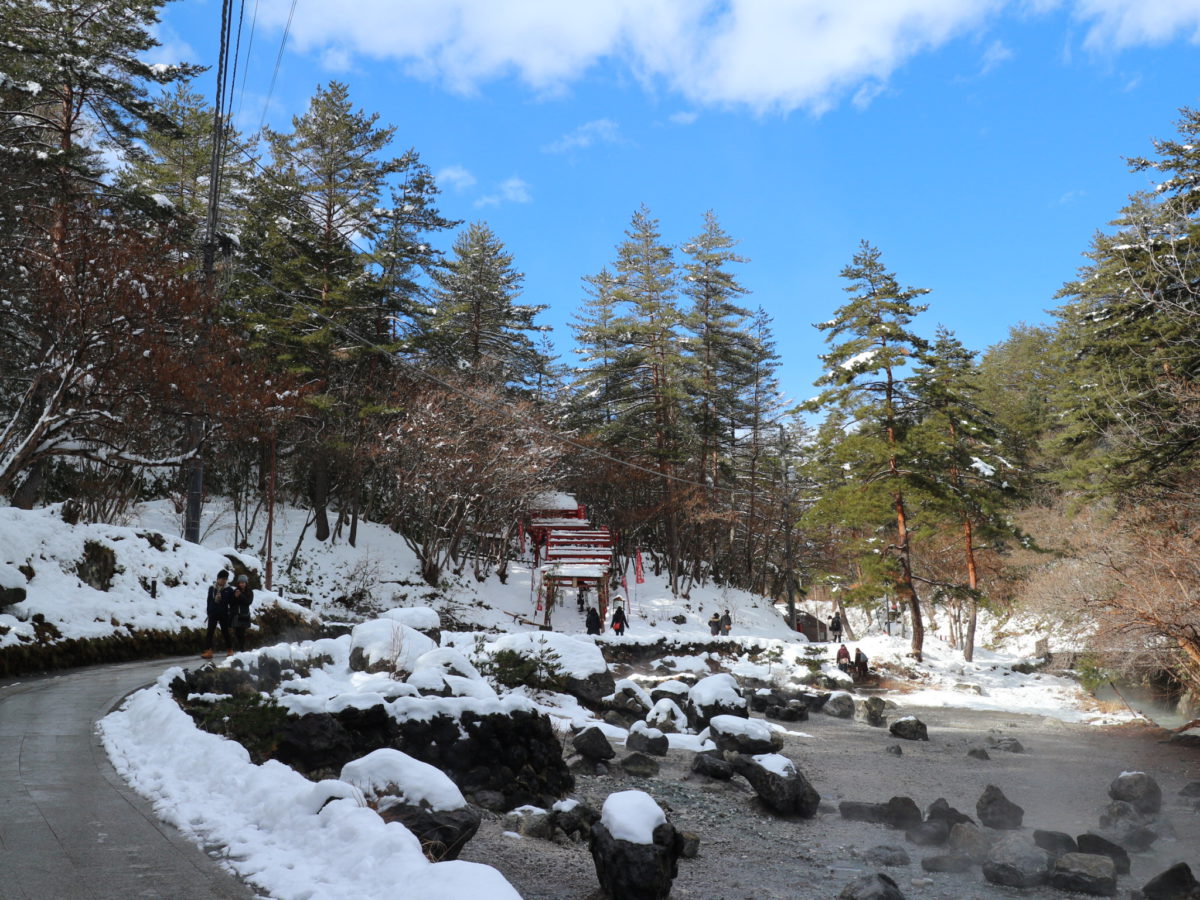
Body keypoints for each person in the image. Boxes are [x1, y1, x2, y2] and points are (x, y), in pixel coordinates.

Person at [201, 569, 231, 659]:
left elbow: (230, 602)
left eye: (225, 579)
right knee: (210, 632)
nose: (223, 581)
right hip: (213, 613)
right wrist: (209, 611)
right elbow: (209, 601)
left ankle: (229, 649)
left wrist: (222, 599)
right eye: (222, 579)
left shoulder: (229, 589)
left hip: (223, 613)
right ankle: (208, 650)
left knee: (225, 632)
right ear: (218, 579)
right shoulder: (212, 588)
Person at [227, 573, 254, 652]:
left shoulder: (249, 592)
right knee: (236, 632)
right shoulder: (235, 591)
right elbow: (231, 603)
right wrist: (235, 597)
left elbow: (248, 602)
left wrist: (240, 595)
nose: (242, 584)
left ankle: (241, 648)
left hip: (244, 614)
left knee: (242, 632)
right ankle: (237, 647)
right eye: (240, 583)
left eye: (243, 583)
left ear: (246, 583)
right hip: (236, 614)